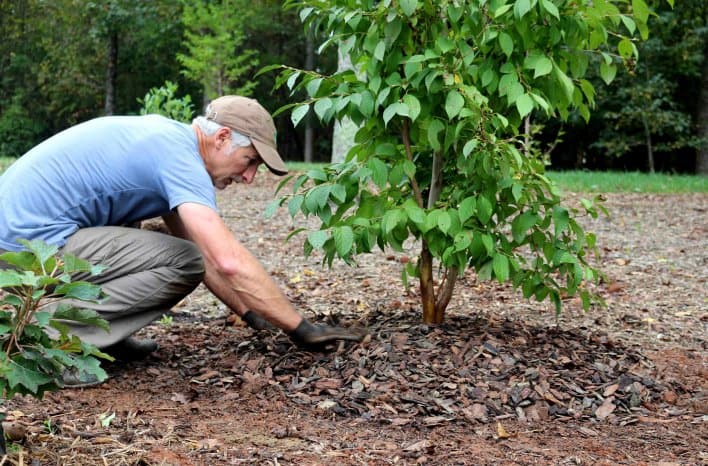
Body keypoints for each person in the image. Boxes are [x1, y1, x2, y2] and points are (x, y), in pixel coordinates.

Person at [0, 96, 365, 385]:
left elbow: (206, 256)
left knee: (149, 235)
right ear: (222, 138)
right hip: (28, 246)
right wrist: (301, 328)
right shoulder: (180, 160)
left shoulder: (170, 140)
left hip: (24, 238)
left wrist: (251, 314)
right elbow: (224, 260)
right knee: (180, 260)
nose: (250, 176)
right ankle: (54, 344)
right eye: (249, 160)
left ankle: (102, 335)